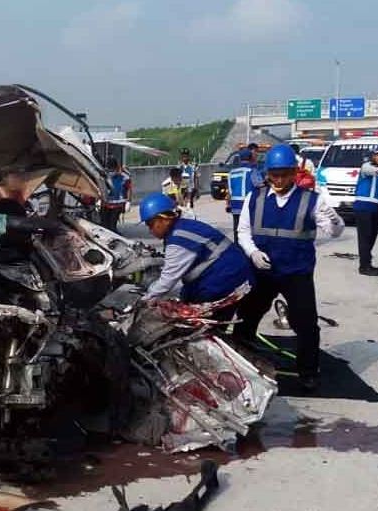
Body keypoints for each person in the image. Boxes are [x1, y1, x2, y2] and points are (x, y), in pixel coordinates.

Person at [234, 144, 344, 391]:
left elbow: (335, 232)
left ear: (295, 173)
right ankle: (241, 360)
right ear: (267, 174)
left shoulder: (311, 201)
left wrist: (334, 218)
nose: (280, 180)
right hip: (264, 271)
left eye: (285, 174)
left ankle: (308, 372)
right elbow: (243, 231)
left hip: (297, 273)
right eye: (275, 175)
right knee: (247, 317)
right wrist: (253, 253)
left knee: (305, 323)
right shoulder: (256, 197)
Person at [139, 193, 254, 322]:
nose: (150, 230)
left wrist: (144, 301)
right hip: (229, 272)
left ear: (164, 219)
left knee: (201, 325)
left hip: (226, 280)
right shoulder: (183, 226)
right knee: (188, 302)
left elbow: (168, 280)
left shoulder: (179, 240)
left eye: (150, 224)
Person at [353, 147, 378, 275]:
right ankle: (363, 267)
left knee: (372, 237)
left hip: (376, 208)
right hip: (363, 207)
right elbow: (373, 171)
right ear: (373, 156)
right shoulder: (366, 167)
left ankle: (367, 262)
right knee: (364, 238)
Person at [227, 143, 265, 240]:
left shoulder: (232, 172)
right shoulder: (252, 170)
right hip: (248, 205)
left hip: (235, 205)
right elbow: (260, 185)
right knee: (248, 231)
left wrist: (228, 204)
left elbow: (229, 191)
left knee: (237, 229)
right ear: (250, 157)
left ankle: (236, 249)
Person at [102, 157, 132, 233]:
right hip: (106, 203)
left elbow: (129, 189)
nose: (111, 172)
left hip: (118, 204)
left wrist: (128, 201)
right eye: (110, 169)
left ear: (116, 167)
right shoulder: (105, 175)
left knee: (112, 225)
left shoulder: (125, 177)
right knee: (104, 225)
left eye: (112, 169)